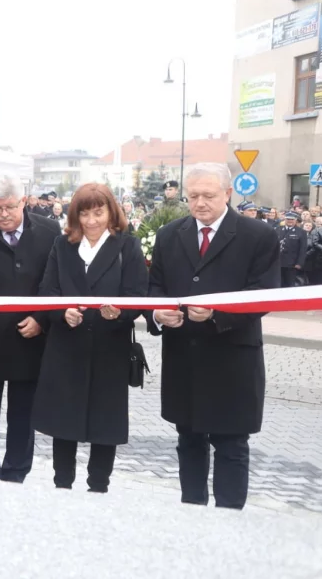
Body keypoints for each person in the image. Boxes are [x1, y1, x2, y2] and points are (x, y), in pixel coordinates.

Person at [148, 163, 280, 510]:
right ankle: (192, 512)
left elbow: (263, 295)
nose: (200, 203)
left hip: (232, 357)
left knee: (231, 444)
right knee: (188, 439)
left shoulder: (258, 235)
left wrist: (219, 315)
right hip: (184, 355)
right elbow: (156, 287)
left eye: (208, 195)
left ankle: (229, 520)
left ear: (228, 194)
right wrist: (157, 313)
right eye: (193, 196)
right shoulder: (169, 234)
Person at [33, 182, 148, 493]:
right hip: (67, 346)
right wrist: (62, 312)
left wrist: (120, 313)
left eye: (99, 213)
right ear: (75, 216)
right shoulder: (62, 246)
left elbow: (137, 294)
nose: (93, 221)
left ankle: (99, 486)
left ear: (111, 212)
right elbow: (48, 291)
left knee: (104, 423)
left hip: (109, 346)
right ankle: (62, 485)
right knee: (63, 422)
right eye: (85, 214)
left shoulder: (128, 247)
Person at [0, 173, 60, 483]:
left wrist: (40, 320)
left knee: (23, 417)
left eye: (10, 207)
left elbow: (53, 282)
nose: (3, 215)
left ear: (24, 202)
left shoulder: (48, 232)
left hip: (30, 339)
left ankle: (16, 475)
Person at [277, 211, 307, 287]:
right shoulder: (278, 229)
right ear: (285, 219)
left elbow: (303, 249)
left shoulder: (301, 232)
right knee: (278, 284)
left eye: (292, 219)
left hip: (292, 264)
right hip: (278, 262)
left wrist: (299, 263)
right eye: (288, 219)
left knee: (290, 285)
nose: (290, 221)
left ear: (296, 220)